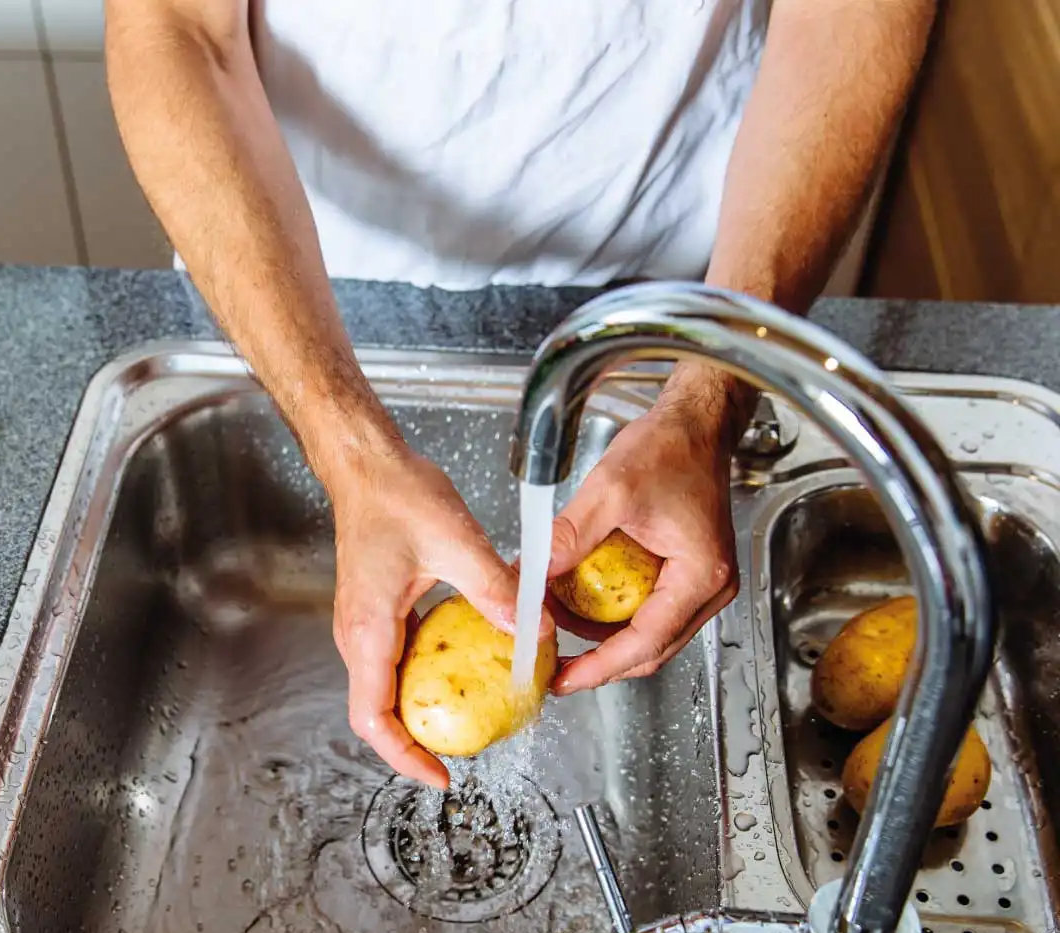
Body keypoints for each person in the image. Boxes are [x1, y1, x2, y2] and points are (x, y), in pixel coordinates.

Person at [106, 0, 936, 788]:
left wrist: (708, 401)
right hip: (299, 273)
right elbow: (177, 30)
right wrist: (346, 448)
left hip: (688, 268)